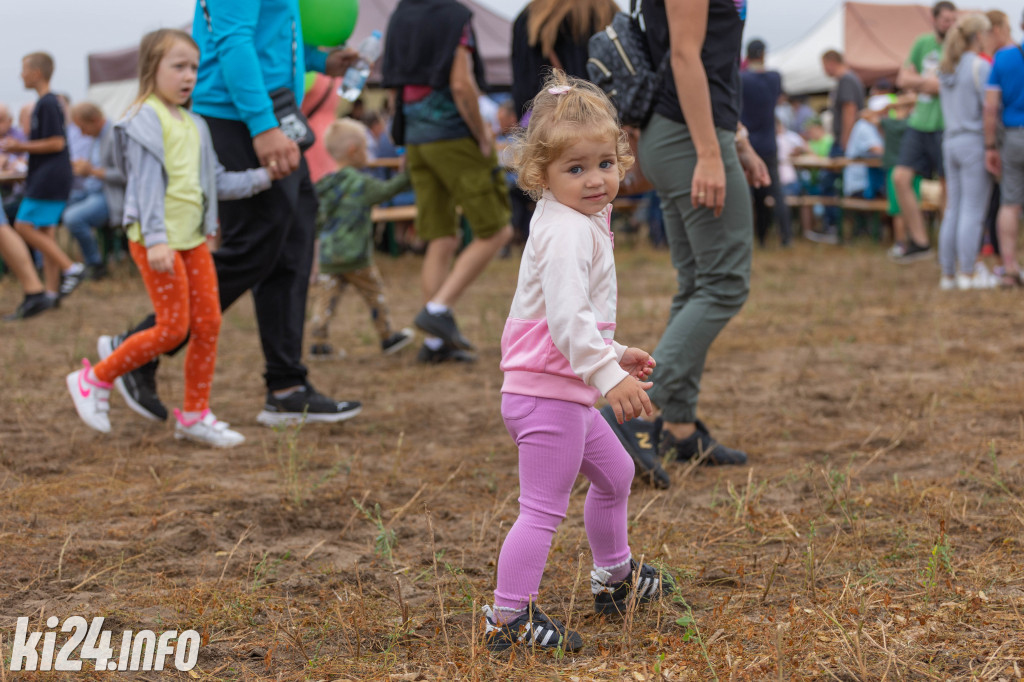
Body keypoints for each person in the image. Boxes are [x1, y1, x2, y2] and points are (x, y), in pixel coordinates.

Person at [98, 0, 364, 426]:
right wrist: (262, 125)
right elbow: (233, 39)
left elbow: (266, 33)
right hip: (238, 114)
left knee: (291, 245)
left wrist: (319, 60)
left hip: (272, 110)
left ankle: (286, 387)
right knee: (256, 246)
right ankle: (135, 348)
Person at [482, 72, 671, 653]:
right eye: (576, 168)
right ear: (541, 174)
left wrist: (614, 352)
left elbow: (568, 319)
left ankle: (615, 578)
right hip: (548, 396)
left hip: (565, 388)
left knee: (616, 476)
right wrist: (609, 376)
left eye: (605, 164)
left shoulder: (577, 219)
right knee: (541, 510)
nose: (595, 180)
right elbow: (565, 323)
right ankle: (508, 620)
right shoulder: (567, 231)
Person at [67, 29, 272, 447]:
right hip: (156, 241)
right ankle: (93, 378)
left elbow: (214, 181)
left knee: (208, 323)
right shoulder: (143, 119)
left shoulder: (194, 123)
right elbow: (142, 186)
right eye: (178, 66)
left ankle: (194, 415)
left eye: (194, 67)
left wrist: (265, 177)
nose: (189, 76)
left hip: (192, 240)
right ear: (151, 69)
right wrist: (157, 238)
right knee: (172, 328)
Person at [602, 0, 768, 489]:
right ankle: (626, 412)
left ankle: (677, 426)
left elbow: (707, 60)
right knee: (724, 285)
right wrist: (711, 153)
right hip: (688, 138)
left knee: (698, 283)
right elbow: (684, 58)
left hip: (681, 134)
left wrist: (733, 140)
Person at [382, 0, 514, 364]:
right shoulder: (455, 15)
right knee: (496, 231)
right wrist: (482, 134)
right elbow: (460, 83)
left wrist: (404, 139)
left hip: (417, 141)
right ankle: (437, 310)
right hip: (455, 137)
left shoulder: (400, 15)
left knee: (440, 238)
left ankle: (437, 345)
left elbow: (394, 87)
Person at [308, 118, 416, 358]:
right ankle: (387, 337)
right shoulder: (360, 184)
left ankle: (318, 343)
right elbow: (387, 191)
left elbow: (316, 221)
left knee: (325, 301)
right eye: (367, 147)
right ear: (353, 151)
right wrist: (409, 172)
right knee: (374, 295)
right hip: (356, 257)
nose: (370, 153)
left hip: (329, 256)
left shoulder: (326, 185)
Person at [0, 52, 86, 320]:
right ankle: (49, 293)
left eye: (24, 69)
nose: (20, 75)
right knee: (45, 233)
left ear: (36, 73)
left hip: (48, 177)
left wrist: (19, 146)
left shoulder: (47, 103)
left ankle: (71, 267)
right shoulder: (48, 102)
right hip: (52, 176)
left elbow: (56, 143)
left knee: (23, 226)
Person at [891, 0, 958, 263]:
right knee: (900, 178)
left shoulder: (959, 47)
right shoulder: (922, 44)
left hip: (947, 125)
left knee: (947, 188)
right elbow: (902, 79)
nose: (950, 25)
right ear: (934, 20)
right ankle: (920, 241)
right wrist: (927, 83)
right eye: (945, 21)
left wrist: (934, 86)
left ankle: (949, 246)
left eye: (954, 20)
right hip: (919, 124)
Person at [934, 14, 991, 291]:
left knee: (954, 208)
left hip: (951, 141)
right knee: (972, 210)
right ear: (978, 37)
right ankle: (966, 273)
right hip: (973, 141)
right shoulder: (978, 66)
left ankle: (948, 273)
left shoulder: (947, 68)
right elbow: (989, 109)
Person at [984, 9, 1024, 287]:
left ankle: (1009, 268)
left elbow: (990, 107)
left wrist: (989, 146)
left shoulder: (1004, 58)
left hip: (1013, 137)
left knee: (1009, 203)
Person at [65, 102, 126, 280]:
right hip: (92, 191)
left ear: (94, 120)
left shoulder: (114, 136)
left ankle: (95, 263)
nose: (82, 134)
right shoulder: (98, 137)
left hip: (110, 196)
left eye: (83, 128)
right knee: (58, 205)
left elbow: (125, 175)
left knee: (73, 218)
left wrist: (91, 171)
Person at [741, 39, 790, 247]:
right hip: (769, 144)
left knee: (747, 195)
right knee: (776, 193)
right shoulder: (774, 77)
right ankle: (786, 237)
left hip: (747, 145)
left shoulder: (740, 78)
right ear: (763, 54)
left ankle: (753, 239)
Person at [813, 49, 865, 242]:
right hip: (846, 141)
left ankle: (832, 227)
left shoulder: (846, 80)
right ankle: (840, 227)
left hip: (843, 143)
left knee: (828, 182)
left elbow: (849, 110)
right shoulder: (850, 79)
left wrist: (845, 142)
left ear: (830, 62)